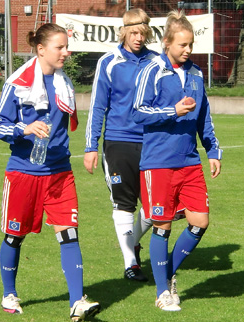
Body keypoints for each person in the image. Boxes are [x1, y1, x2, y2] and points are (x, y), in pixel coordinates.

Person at [0, 23, 100, 322]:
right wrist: (23, 128)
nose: (67, 52)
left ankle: (77, 301)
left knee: (69, 234)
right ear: (41, 50)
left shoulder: (64, 82)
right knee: (15, 236)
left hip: (60, 173)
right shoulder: (18, 82)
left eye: (67, 46)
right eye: (60, 47)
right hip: (24, 173)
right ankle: (9, 294)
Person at [132, 10, 223, 311]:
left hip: (189, 161)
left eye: (190, 45)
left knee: (200, 222)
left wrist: (212, 150)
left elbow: (204, 116)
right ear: (167, 42)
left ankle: (167, 272)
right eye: (182, 44)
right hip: (158, 161)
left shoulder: (196, 74)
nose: (187, 50)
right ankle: (162, 293)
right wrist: (172, 111)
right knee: (163, 225)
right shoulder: (152, 70)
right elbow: (137, 112)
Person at [84, 8, 158, 282]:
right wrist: (91, 146)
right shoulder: (108, 62)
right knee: (124, 204)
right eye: (133, 33)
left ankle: (131, 241)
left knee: (157, 207)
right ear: (124, 32)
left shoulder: (157, 62)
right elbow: (97, 107)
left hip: (152, 143)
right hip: (118, 142)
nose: (138, 38)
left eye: (143, 33)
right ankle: (131, 263)